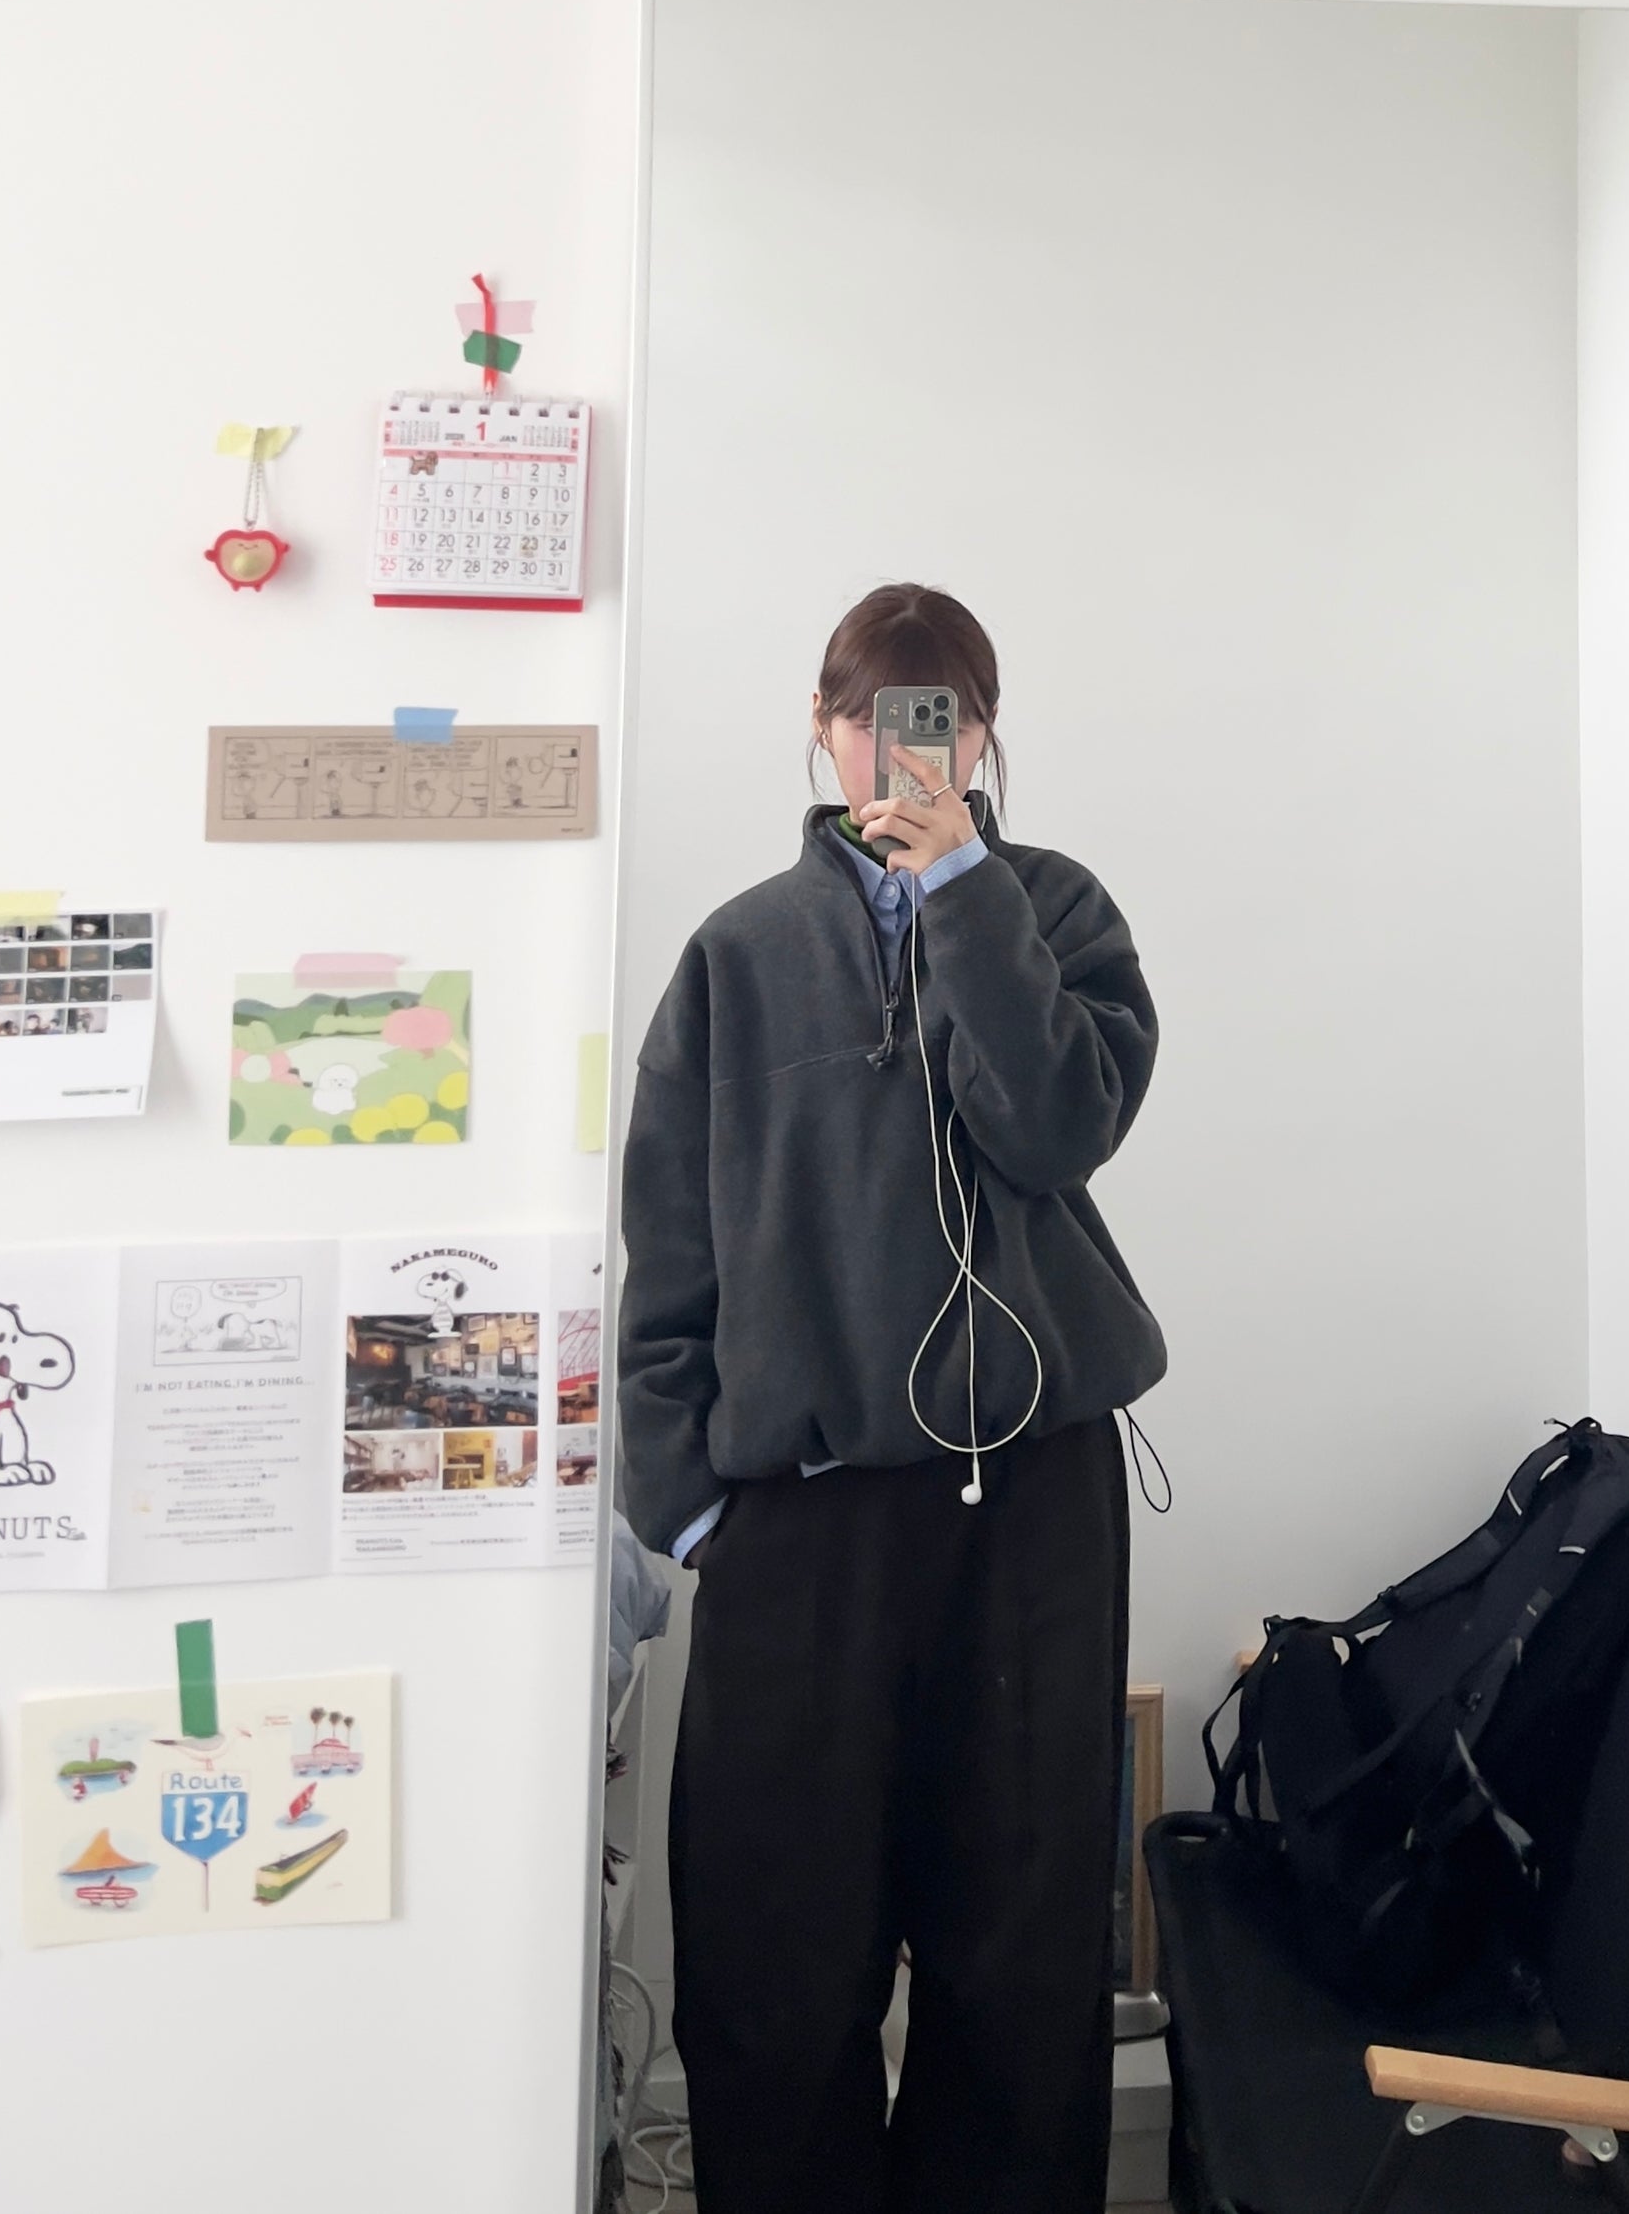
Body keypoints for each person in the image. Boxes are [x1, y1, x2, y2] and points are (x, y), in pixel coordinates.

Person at [619, 582, 1166, 2214]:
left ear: (984, 735)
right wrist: (686, 1506)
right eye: (874, 713)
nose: (901, 748)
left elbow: (1055, 1128)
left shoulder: (1054, 911)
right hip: (797, 1520)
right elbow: (669, 1247)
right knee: (774, 1945)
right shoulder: (736, 954)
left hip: (1031, 1499)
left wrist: (965, 895)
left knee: (1019, 1940)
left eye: (940, 716)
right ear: (821, 722)